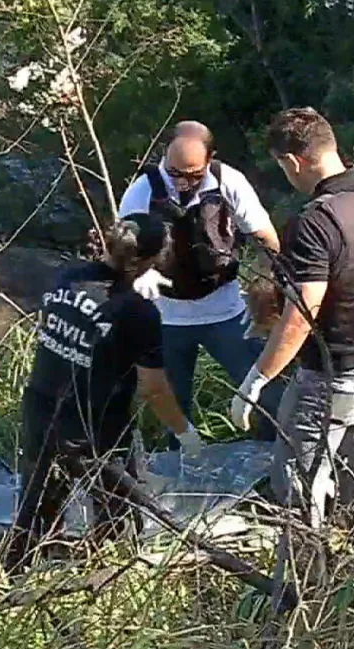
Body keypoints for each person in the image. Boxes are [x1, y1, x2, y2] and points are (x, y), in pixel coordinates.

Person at [230, 107, 354, 536]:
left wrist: (257, 380)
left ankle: (305, 571)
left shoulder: (316, 223)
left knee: (296, 476)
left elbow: (303, 313)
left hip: (331, 376)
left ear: (293, 161)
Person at [12, 211, 200, 559]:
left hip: (41, 405)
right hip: (96, 424)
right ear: (150, 260)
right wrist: (184, 431)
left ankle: (17, 570)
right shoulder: (138, 313)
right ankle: (111, 573)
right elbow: (153, 389)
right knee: (118, 512)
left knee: (38, 502)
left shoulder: (65, 276)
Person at [117, 120, 285, 447]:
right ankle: (185, 473)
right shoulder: (143, 191)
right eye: (174, 172)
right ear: (164, 157)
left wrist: (266, 288)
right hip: (166, 317)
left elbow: (267, 240)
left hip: (226, 311)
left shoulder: (228, 182)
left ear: (210, 160)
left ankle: (276, 458)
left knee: (266, 393)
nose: (181, 183)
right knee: (174, 408)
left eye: (192, 174)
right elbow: (121, 251)